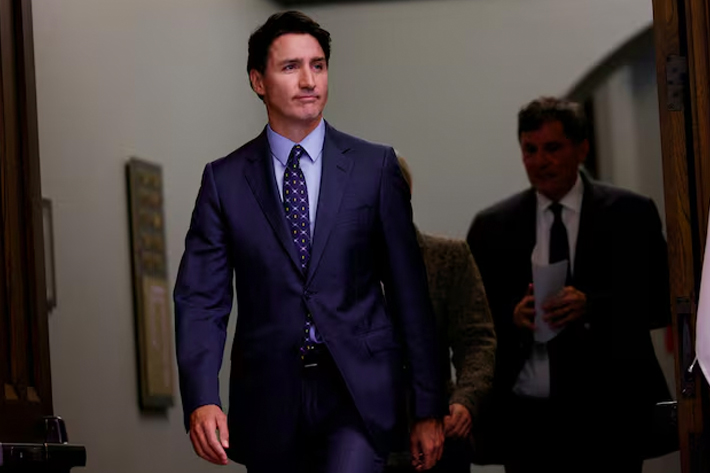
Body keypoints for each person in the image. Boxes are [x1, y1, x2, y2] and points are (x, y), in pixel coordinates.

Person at [173, 11, 446, 473]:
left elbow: (409, 295)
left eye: (318, 65)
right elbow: (202, 299)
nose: (308, 80)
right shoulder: (224, 182)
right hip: (268, 400)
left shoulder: (374, 168)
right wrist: (202, 398)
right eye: (290, 67)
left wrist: (427, 406)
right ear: (258, 81)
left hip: (358, 392)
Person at [466, 97, 671, 473]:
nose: (541, 160)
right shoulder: (493, 225)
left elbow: (663, 301)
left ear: (582, 148)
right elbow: (471, 320)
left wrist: (592, 305)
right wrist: (513, 315)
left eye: (553, 148)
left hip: (610, 412)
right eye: (530, 150)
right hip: (528, 417)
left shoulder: (630, 214)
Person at [386, 155, 497, 473]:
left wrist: (465, 400)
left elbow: (477, 339)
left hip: (438, 432)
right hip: (363, 438)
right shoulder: (337, 266)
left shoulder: (448, 258)